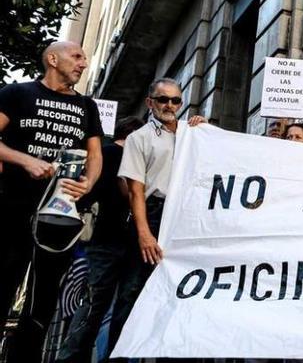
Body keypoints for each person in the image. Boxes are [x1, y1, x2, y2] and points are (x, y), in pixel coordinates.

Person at [0, 41, 104, 361]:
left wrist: (88, 183)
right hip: (13, 207)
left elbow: (95, 154)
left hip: (59, 216)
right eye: (76, 56)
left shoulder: (87, 106)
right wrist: (25, 160)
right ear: (52, 59)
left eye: (84, 58)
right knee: (4, 282)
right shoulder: (17, 94)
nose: (83, 63)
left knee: (43, 300)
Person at [113, 78, 205, 349]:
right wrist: (144, 233)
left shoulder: (193, 132)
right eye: (163, 99)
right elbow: (135, 190)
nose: (169, 105)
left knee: (179, 290)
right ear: (149, 102)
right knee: (133, 291)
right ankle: (120, 353)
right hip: (153, 214)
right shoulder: (137, 138)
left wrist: (207, 130)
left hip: (186, 217)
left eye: (175, 100)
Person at [57, 116, 144, 363]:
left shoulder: (101, 155)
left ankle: (71, 356)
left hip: (104, 238)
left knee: (93, 303)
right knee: (125, 306)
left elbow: (83, 195)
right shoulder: (130, 157)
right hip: (132, 241)